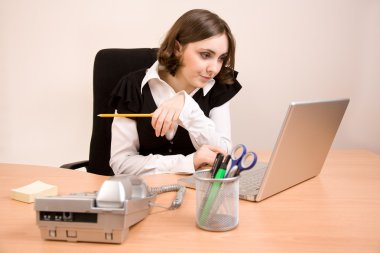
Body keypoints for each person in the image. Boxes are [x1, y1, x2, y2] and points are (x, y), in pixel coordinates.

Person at [109, 9, 242, 175]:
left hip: (198, 194)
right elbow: (121, 163)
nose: (214, 69)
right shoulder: (133, 87)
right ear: (178, 48)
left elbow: (222, 154)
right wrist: (188, 162)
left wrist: (187, 107)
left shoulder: (218, 87)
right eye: (205, 55)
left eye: (221, 58)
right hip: (143, 193)